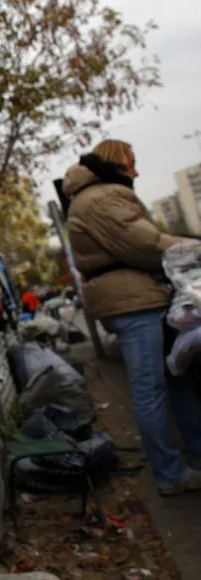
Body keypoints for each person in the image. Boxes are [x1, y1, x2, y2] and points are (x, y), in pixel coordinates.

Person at [64, 139, 201, 495]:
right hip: (133, 303)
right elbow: (145, 244)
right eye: (131, 163)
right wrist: (194, 248)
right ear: (116, 162)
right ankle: (171, 475)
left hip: (133, 299)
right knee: (151, 388)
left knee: (175, 377)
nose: (136, 171)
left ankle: (193, 456)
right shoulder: (104, 196)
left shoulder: (92, 196)